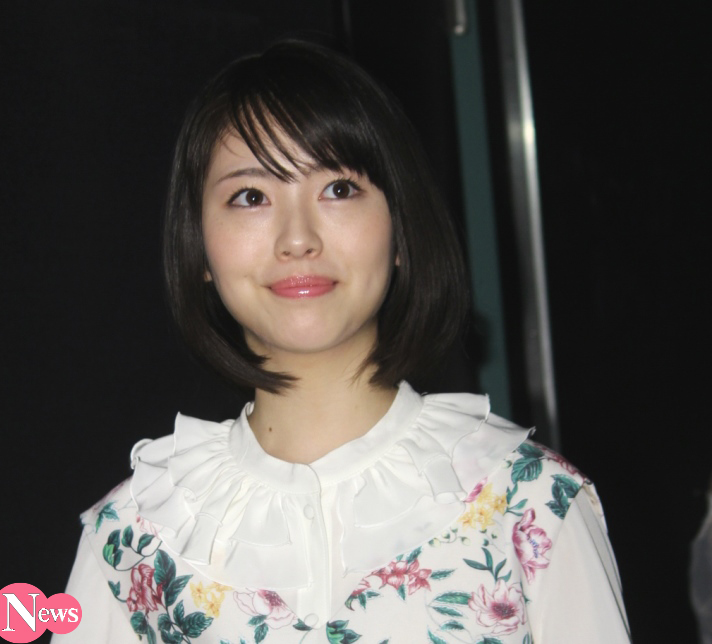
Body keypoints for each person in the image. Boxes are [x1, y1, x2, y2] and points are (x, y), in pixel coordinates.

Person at [54, 40, 630, 643]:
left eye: (337, 189)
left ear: (399, 227)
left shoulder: (532, 505)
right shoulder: (131, 543)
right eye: (251, 197)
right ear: (198, 245)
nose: (297, 238)